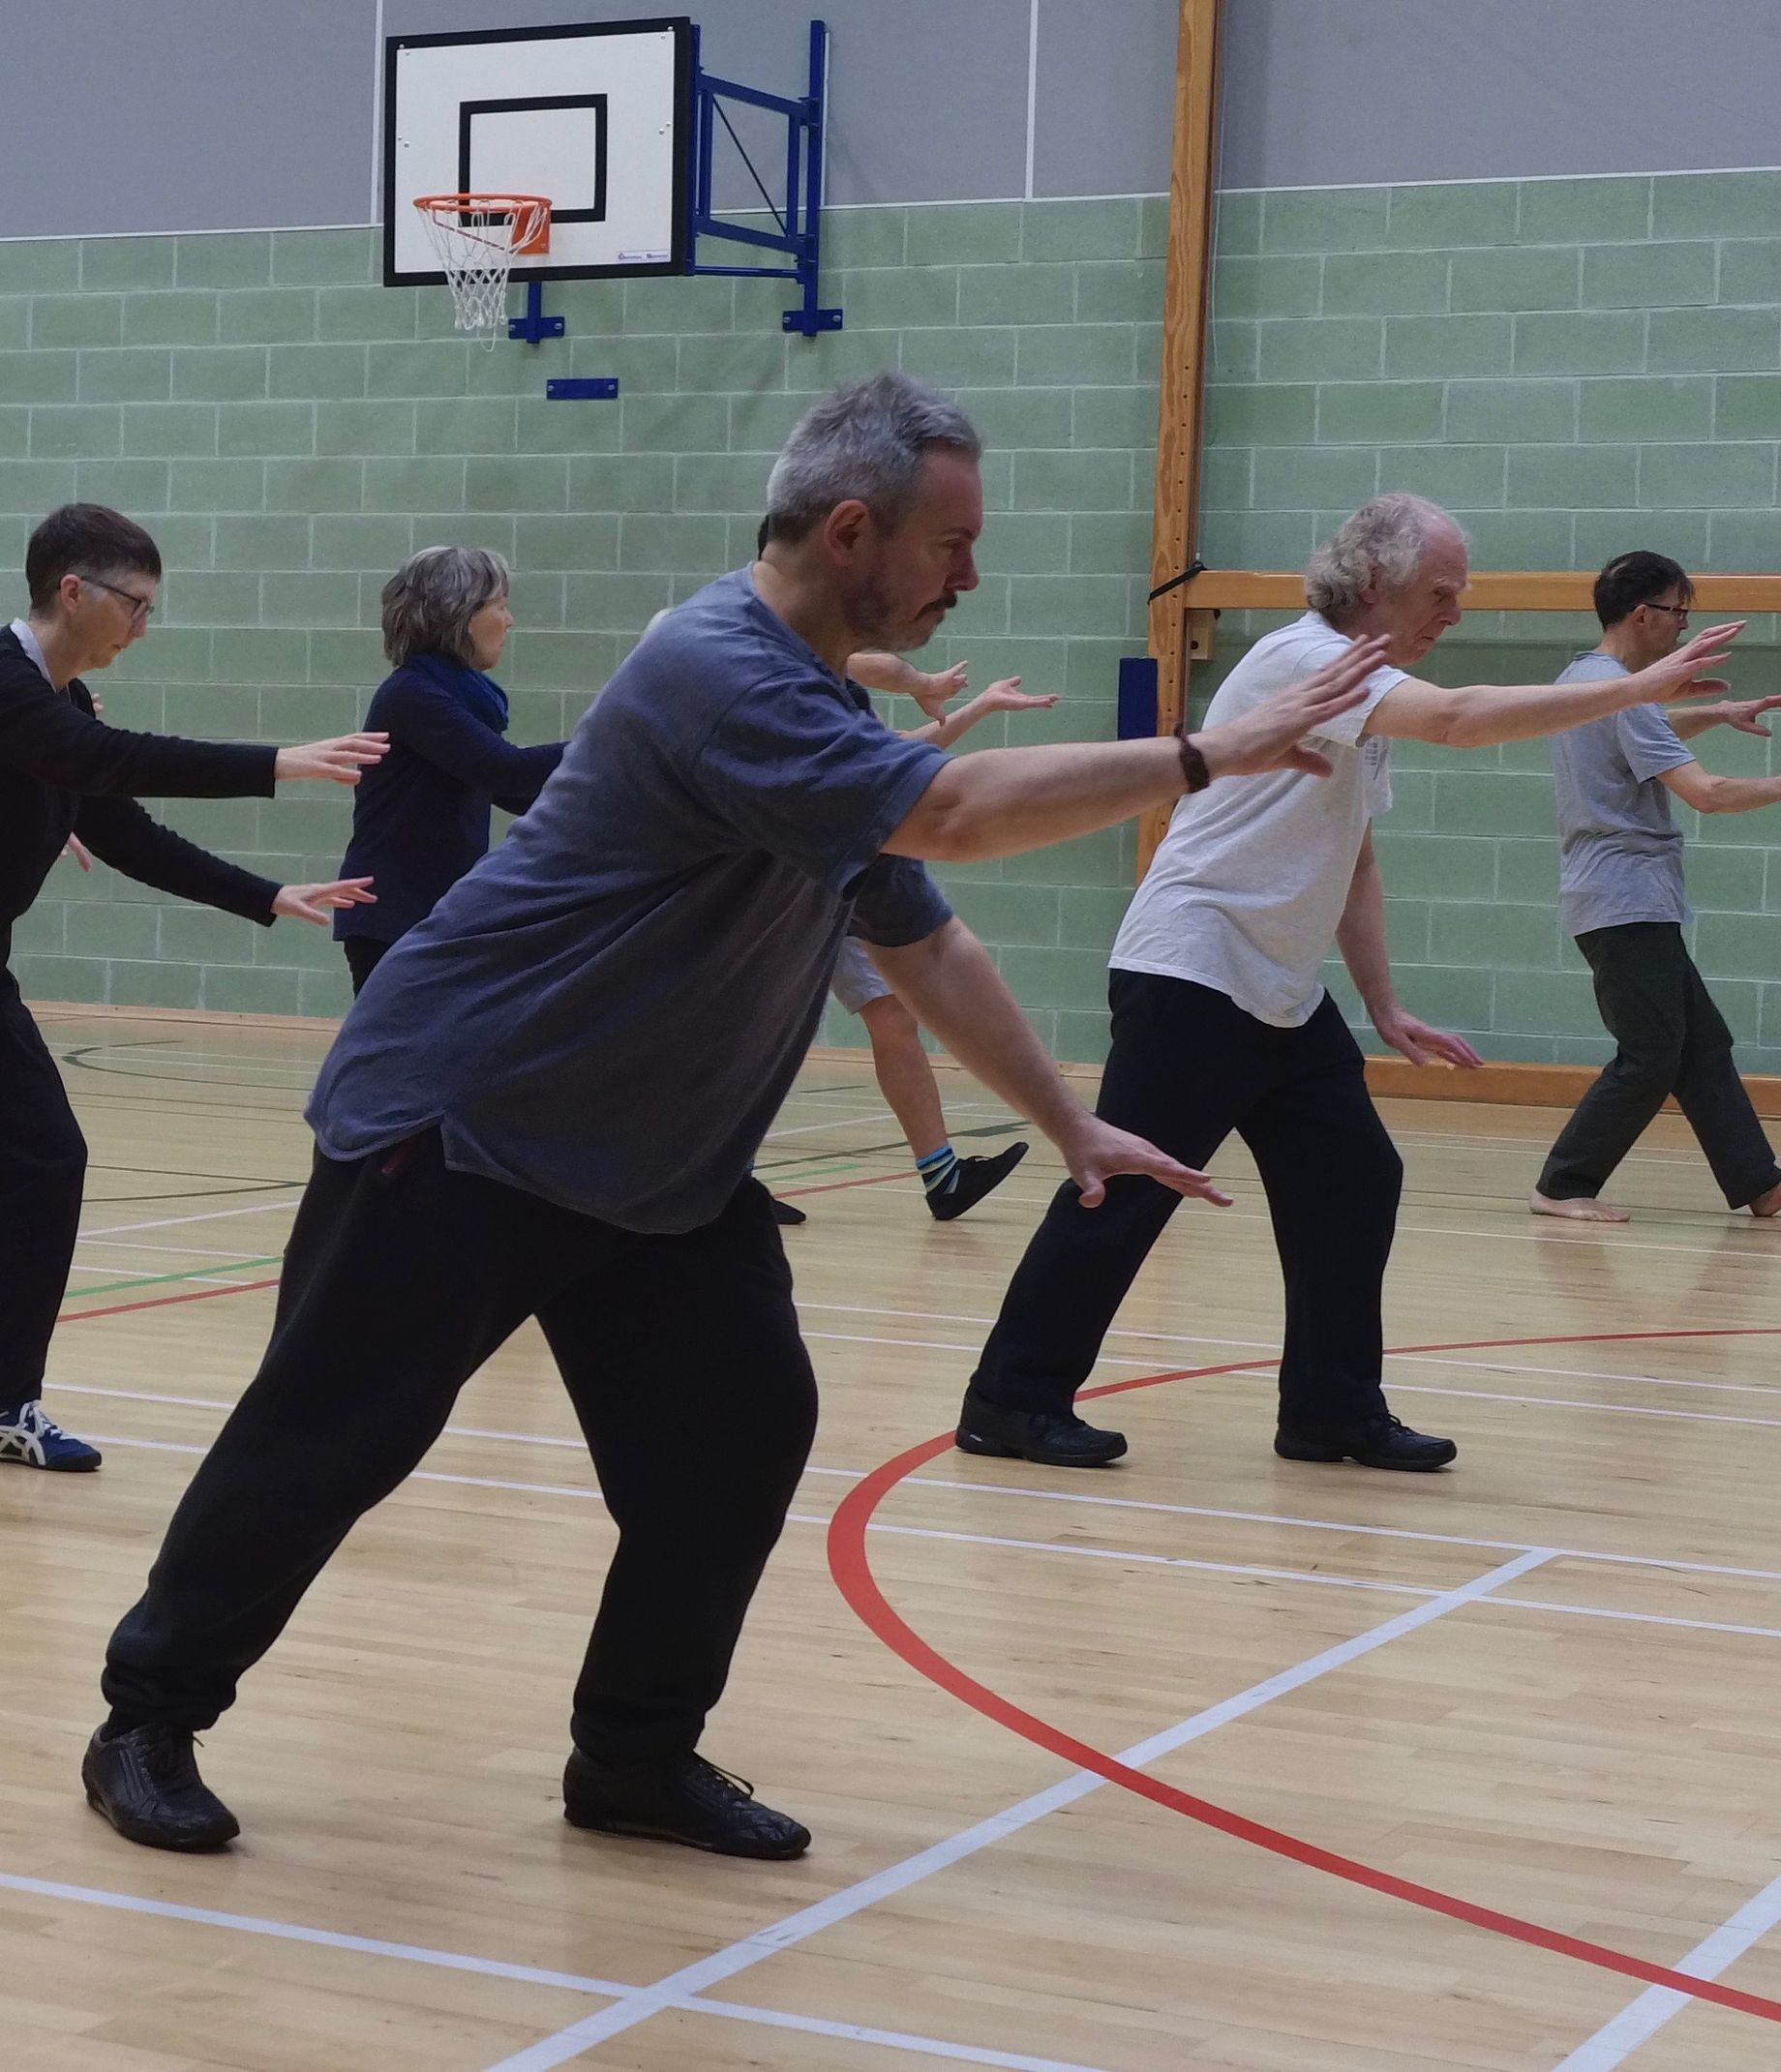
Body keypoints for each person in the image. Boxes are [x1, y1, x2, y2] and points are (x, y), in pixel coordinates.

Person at [83, 373, 1386, 1863]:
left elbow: (927, 937)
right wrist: (1207, 749)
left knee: (739, 1429)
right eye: (950, 544)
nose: (970, 576)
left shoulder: (820, 706)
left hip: (652, 1160)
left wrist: (1071, 1123)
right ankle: (148, 1711)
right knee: (334, 1433)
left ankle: (634, 1758)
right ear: (851, 530)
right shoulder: (718, 667)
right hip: (469, 1112)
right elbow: (954, 812)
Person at [956, 494, 1742, 1476]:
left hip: (1279, 987)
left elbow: (1354, 856)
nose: (1454, 612)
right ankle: (1011, 1398)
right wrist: (1635, 689)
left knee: (1355, 1175)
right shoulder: (1303, 658)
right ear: (1374, 583)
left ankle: (1330, 1410)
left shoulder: (1368, 689)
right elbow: (1458, 720)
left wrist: (1383, 1002)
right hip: (1192, 968)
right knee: (1126, 1188)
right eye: (1441, 593)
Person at [0, 503, 385, 1472]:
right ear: (72, 590)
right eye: (133, 605)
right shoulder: (12, 689)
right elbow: (97, 763)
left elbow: (123, 827)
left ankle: (7, 1401)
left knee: (43, 1161)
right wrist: (275, 763)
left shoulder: (61, 709)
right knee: (44, 1158)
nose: (141, 627)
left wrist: (266, 894)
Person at [1529, 551, 1781, 1224]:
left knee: (1700, 1043)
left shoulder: (1587, 681)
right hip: (1624, 899)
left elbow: (1640, 737)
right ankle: (1563, 1183)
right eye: (1678, 611)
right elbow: (1704, 792)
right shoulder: (1624, 690)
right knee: (1651, 1054)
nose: (1681, 625)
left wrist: (1722, 712)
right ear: (1642, 614)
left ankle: (1758, 1179)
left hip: (1621, 897)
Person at [829, 658, 1060, 1219]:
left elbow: (901, 752)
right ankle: (727, 1182)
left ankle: (944, 1177)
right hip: (790, 872)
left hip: (842, 872)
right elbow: (873, 668)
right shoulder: (790, 652)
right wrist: (922, 683)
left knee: (891, 1017)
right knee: (749, 1025)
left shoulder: (832, 696)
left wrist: (976, 705)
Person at [336, 546, 564, 997]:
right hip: (394, 918)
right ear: (458, 615)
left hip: (436, 913)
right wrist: (619, 737)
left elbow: (521, 794)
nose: (510, 620)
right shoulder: (413, 695)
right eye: (499, 605)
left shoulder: (454, 695)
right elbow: (506, 770)